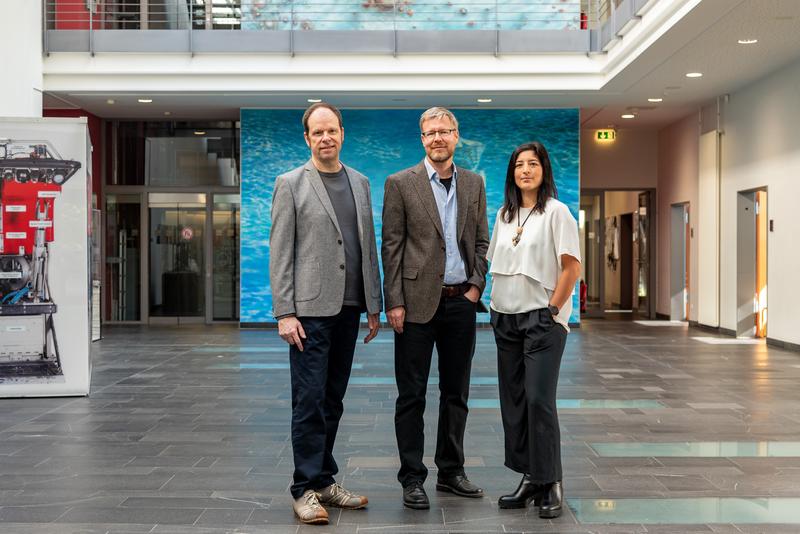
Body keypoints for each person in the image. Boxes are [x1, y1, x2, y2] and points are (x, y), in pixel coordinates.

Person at [269, 102, 382, 525]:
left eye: (331, 130)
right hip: (309, 312)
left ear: (342, 133)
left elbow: (366, 246)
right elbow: (280, 251)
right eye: (317, 132)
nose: (325, 138)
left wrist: (374, 303)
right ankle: (303, 489)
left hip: (350, 308)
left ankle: (323, 480)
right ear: (307, 138)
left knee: (332, 398)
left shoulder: (361, 182)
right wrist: (284, 312)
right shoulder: (290, 183)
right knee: (309, 400)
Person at [381, 107, 489, 509]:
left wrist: (476, 287)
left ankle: (451, 471)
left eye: (444, 131)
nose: (437, 139)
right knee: (411, 395)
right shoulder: (400, 183)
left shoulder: (474, 183)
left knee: (456, 392)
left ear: (456, 136)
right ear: (422, 139)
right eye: (430, 133)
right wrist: (394, 300)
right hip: (414, 306)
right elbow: (391, 246)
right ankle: (412, 478)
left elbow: (482, 241)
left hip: (461, 302)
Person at [487, 141, 581, 518]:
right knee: (515, 404)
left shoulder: (558, 213)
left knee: (540, 400)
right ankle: (531, 478)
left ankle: (552, 481)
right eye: (519, 165)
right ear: (512, 173)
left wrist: (553, 309)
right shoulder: (504, 215)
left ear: (544, 170)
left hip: (542, 320)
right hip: (505, 317)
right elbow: (495, 261)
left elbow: (571, 268)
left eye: (533, 164)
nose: (525, 170)